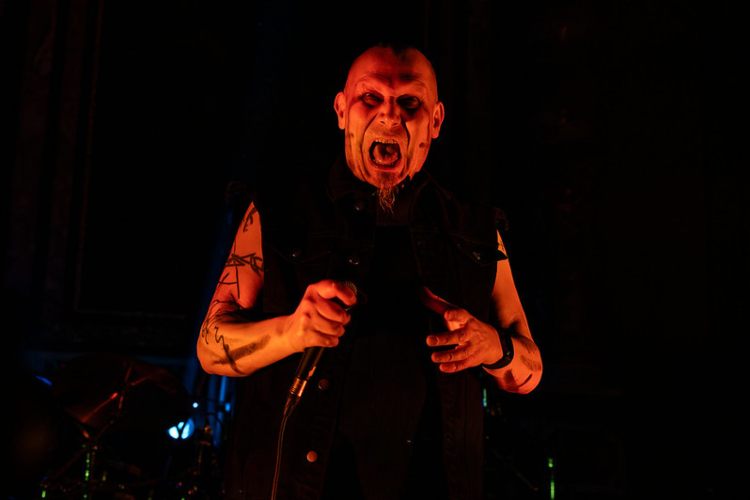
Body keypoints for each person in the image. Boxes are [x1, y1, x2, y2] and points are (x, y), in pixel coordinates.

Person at [196, 42, 543, 500]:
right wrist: (292, 332)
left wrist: (493, 346)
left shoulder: (474, 229)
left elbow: (531, 367)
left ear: (436, 121)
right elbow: (210, 347)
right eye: (371, 98)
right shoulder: (278, 213)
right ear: (342, 111)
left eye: (409, 102)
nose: (389, 116)